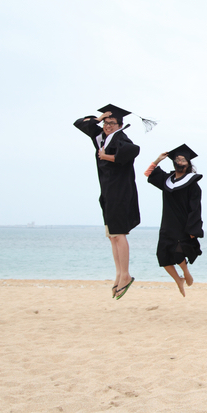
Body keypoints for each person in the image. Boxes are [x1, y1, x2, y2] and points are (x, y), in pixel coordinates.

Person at [73, 104, 140, 300]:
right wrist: (100, 118)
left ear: (120, 125)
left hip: (120, 192)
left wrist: (108, 157)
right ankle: (119, 274)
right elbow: (79, 123)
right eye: (106, 123)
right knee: (112, 236)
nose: (108, 126)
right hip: (107, 193)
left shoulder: (121, 138)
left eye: (112, 123)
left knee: (119, 234)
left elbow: (133, 150)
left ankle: (126, 275)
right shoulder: (101, 136)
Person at [145, 144, 204, 297]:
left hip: (183, 225)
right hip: (167, 223)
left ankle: (185, 272)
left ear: (188, 163)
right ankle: (179, 280)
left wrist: (193, 230)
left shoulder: (193, 184)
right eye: (177, 159)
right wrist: (158, 159)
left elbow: (196, 209)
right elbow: (148, 173)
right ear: (173, 163)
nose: (180, 161)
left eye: (183, 159)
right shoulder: (167, 180)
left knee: (178, 254)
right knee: (163, 256)